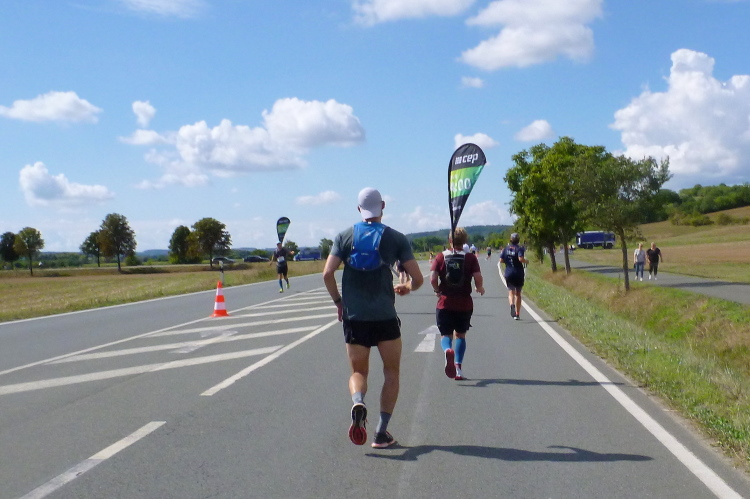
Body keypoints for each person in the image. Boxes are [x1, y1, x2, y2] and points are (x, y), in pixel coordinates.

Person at [323, 187, 423, 449]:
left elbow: (327, 274)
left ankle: (358, 401)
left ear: (359, 209)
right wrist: (407, 287)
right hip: (385, 318)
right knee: (391, 372)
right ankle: (380, 432)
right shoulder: (396, 238)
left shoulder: (344, 236)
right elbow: (418, 279)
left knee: (358, 372)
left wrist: (339, 302)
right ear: (383, 206)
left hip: (355, 317)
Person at [430, 228, 484, 381]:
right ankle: (458, 368)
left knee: (445, 334)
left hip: (445, 303)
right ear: (465, 241)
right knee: (460, 335)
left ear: (449, 241)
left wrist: (437, 290)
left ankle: (448, 349)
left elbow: (433, 278)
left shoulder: (441, 257)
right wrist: (479, 287)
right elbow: (478, 277)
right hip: (464, 303)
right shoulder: (470, 258)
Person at [499, 233, 529, 320]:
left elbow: (501, 260)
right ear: (518, 240)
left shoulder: (506, 248)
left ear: (510, 239)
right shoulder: (519, 248)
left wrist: (508, 262)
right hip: (518, 273)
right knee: (518, 293)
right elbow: (520, 259)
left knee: (511, 292)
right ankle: (517, 313)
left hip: (509, 272)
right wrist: (526, 261)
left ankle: (512, 305)